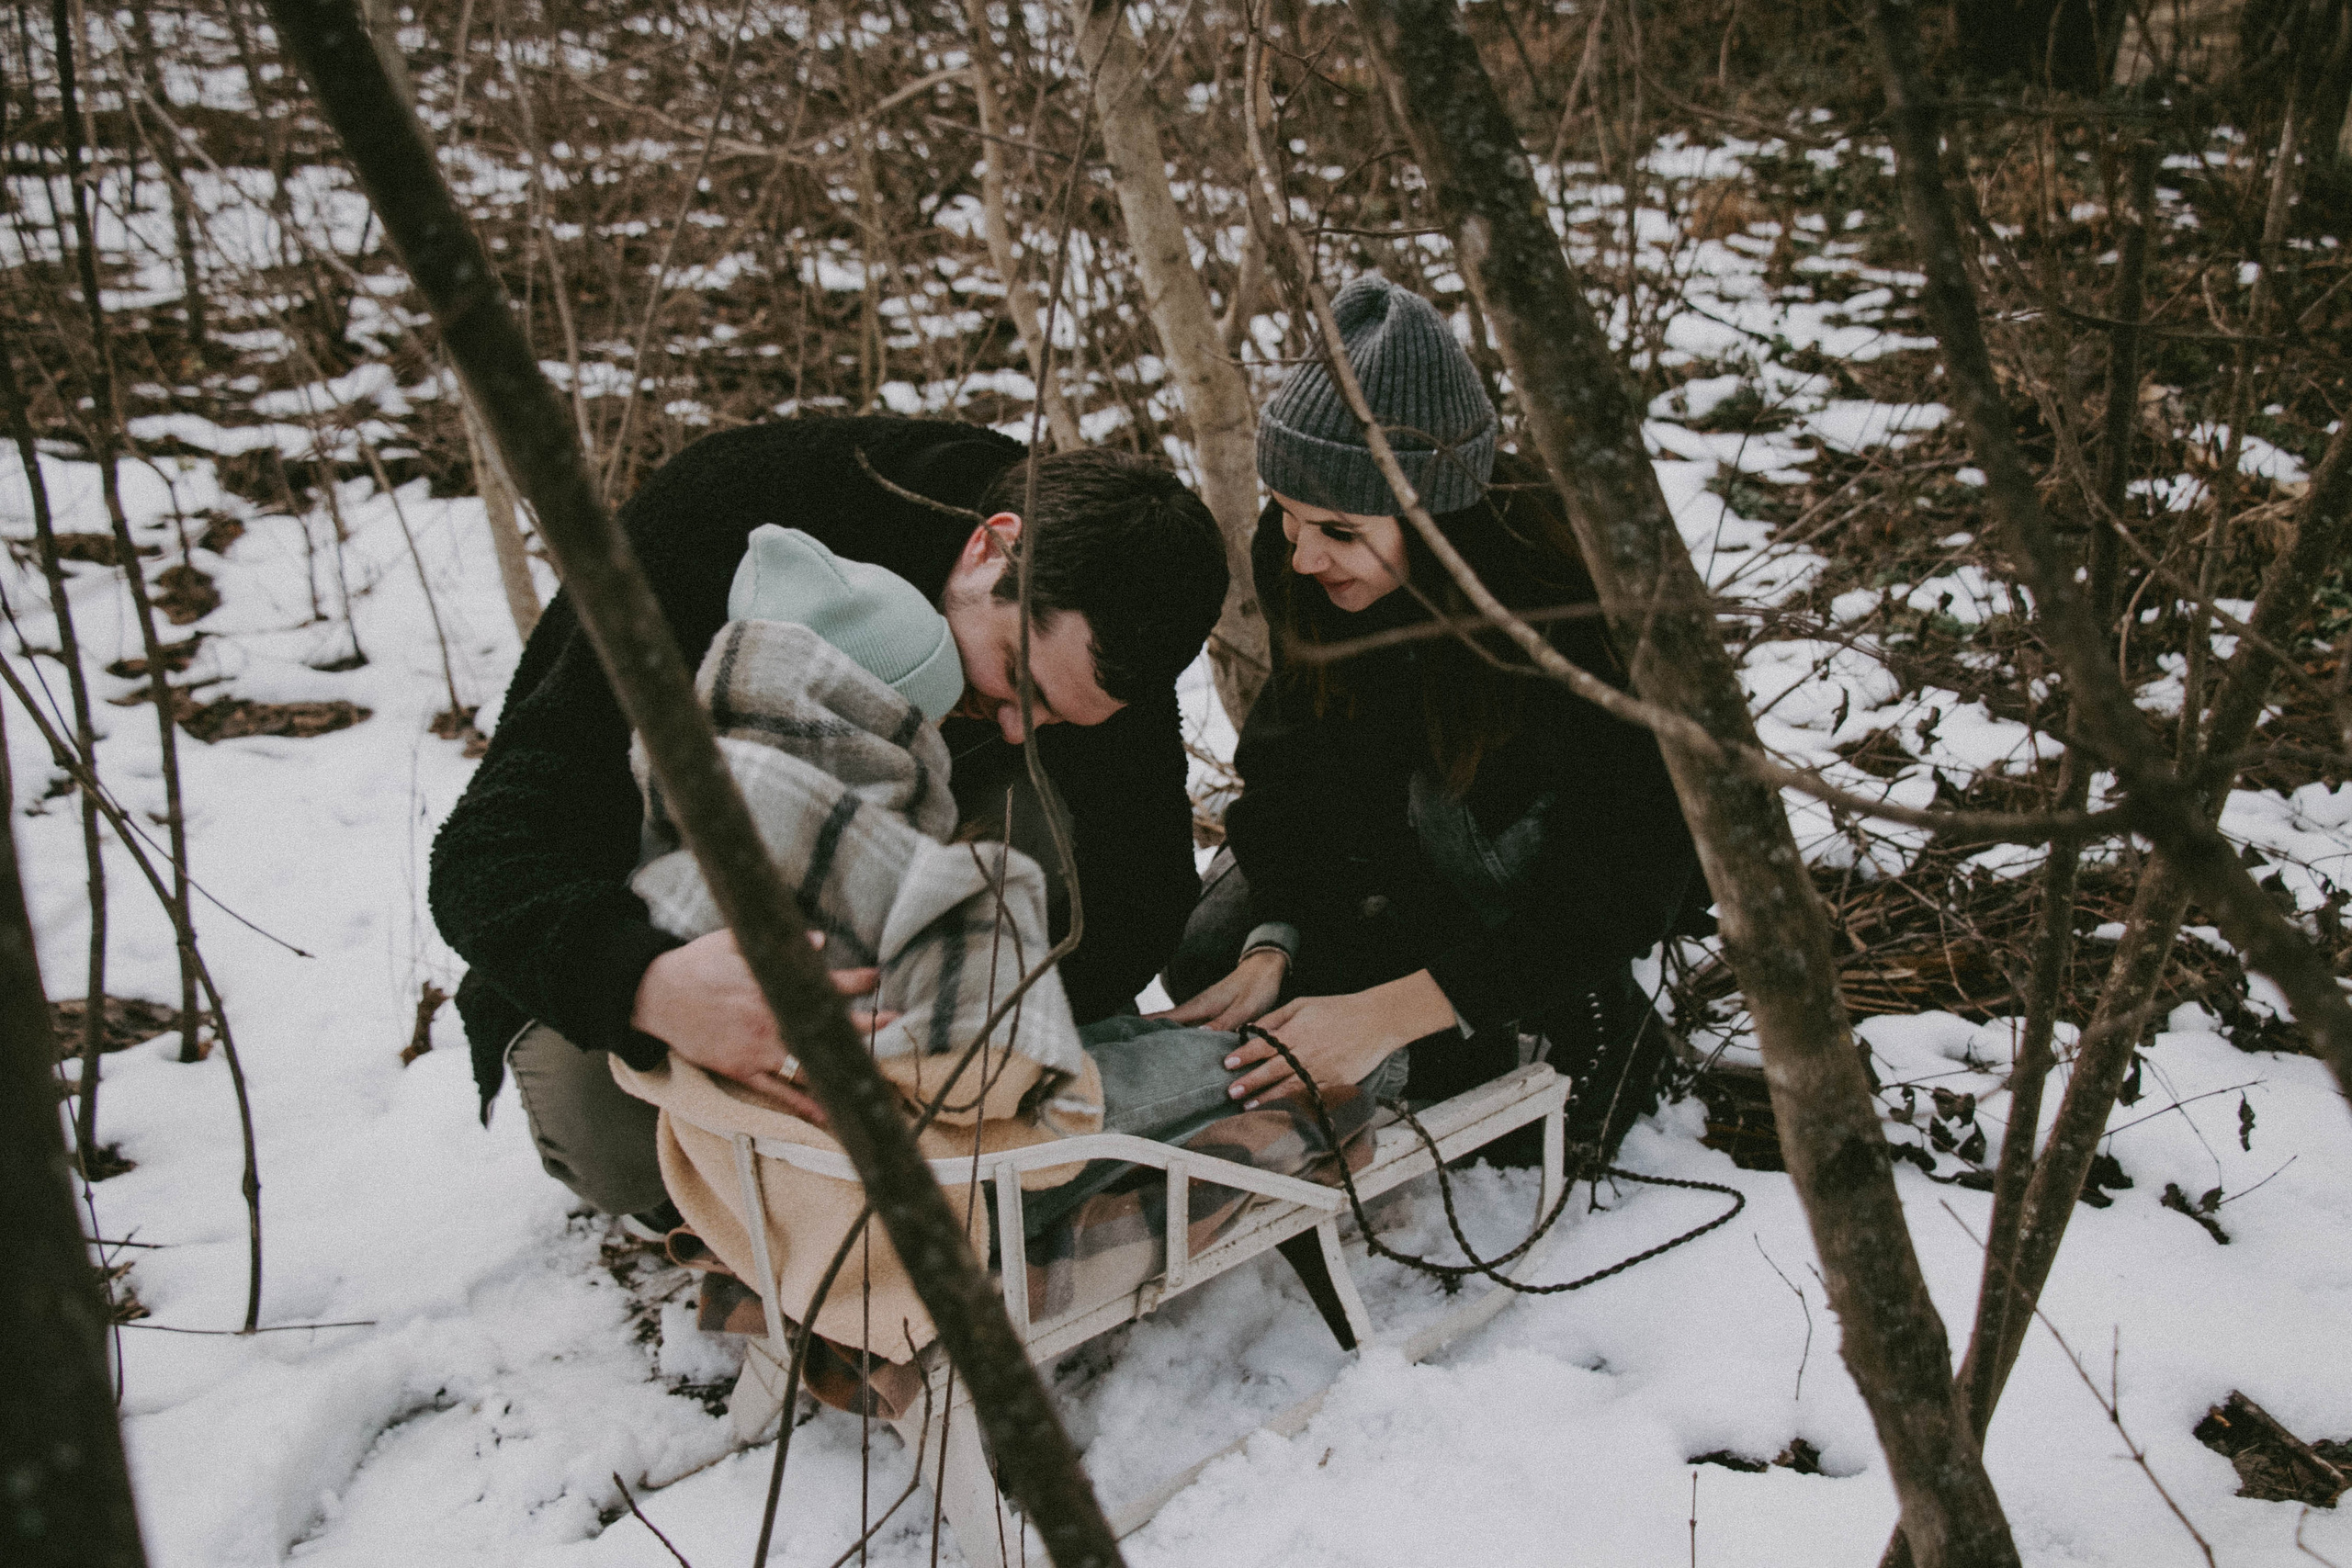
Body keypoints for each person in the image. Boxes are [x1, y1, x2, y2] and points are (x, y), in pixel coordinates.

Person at [428, 415, 1228, 1228]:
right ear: (994, 546)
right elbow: (487, 849)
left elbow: (1146, 894)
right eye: (1017, 676)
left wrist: (949, 1017)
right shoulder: (723, 515)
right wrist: (649, 986)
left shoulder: (1115, 608)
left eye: (1058, 718)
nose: (1021, 726)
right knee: (609, 1138)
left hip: (892, 920)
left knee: (1038, 875)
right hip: (647, 890)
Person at [1158, 276, 1705, 1159]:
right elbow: (1291, 768)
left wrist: (1388, 1011)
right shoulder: (1303, 557)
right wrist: (1276, 942)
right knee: (1212, 968)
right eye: (1288, 518)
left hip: (1520, 870)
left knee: (1502, 1105)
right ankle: (1413, 992)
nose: (1300, 557)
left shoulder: (1567, 597)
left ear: (1435, 513)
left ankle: (1581, 1017)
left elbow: (1632, 871)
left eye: (1337, 530)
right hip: (1382, 847)